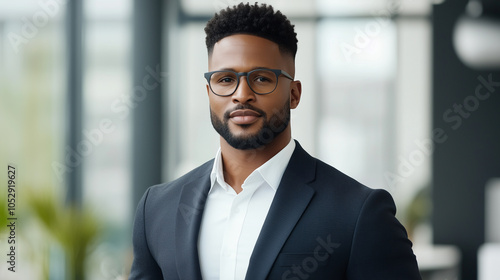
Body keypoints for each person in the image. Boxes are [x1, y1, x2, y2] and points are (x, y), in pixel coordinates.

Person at [129, 2, 421, 280]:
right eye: (225, 79)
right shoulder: (157, 209)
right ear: (209, 93)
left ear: (294, 94)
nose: (241, 94)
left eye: (261, 79)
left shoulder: (358, 214)